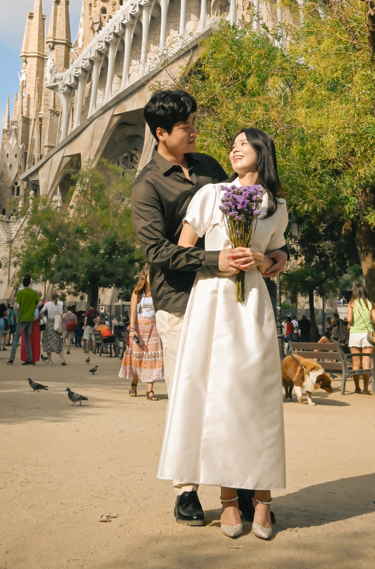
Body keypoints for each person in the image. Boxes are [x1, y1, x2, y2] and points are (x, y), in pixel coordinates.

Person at [131, 91, 288, 528]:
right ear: (162, 133)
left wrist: (279, 255)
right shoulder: (147, 184)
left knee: (232, 391)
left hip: (232, 302)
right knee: (189, 392)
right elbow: (157, 251)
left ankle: (239, 483)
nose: (195, 132)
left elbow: (254, 221)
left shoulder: (210, 170)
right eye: (186, 127)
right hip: (180, 299)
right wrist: (214, 260)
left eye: (194, 123)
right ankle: (186, 490)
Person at [119, 267, 164, 399]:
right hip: (139, 328)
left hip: (154, 328)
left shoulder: (158, 292)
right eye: (151, 274)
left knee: (152, 358)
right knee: (137, 358)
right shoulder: (138, 293)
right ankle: (134, 383)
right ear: (145, 277)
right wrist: (132, 329)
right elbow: (133, 311)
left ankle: (150, 390)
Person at [347, 286, 375, 394]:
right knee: (366, 362)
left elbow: (349, 319)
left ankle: (357, 388)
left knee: (356, 363)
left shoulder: (352, 303)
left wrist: (349, 323)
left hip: (354, 335)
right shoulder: (370, 304)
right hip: (368, 335)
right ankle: (366, 389)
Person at [7, 275, 41, 365]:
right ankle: (30, 358)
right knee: (27, 338)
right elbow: (40, 302)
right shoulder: (34, 293)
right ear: (29, 283)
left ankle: (11, 358)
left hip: (22, 318)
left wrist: (17, 316)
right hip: (30, 318)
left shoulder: (21, 293)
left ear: (23, 283)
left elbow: (17, 306)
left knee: (16, 338)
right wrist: (34, 307)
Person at [40, 292, 67, 365]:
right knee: (58, 341)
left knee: (48, 341)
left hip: (49, 324)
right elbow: (61, 316)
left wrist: (40, 317)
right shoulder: (60, 305)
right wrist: (61, 326)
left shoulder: (47, 304)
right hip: (56, 325)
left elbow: (41, 312)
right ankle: (61, 358)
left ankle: (50, 360)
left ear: (51, 297)